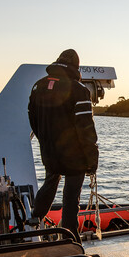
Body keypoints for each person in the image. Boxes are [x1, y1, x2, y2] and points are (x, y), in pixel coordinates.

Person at [28, 49, 98, 244]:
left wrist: (45, 139)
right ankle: (70, 236)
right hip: (74, 154)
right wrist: (92, 157)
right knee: (71, 196)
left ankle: (34, 219)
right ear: (75, 66)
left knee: (50, 182)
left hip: (49, 150)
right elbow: (85, 127)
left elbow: (32, 118)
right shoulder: (78, 89)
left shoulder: (38, 87)